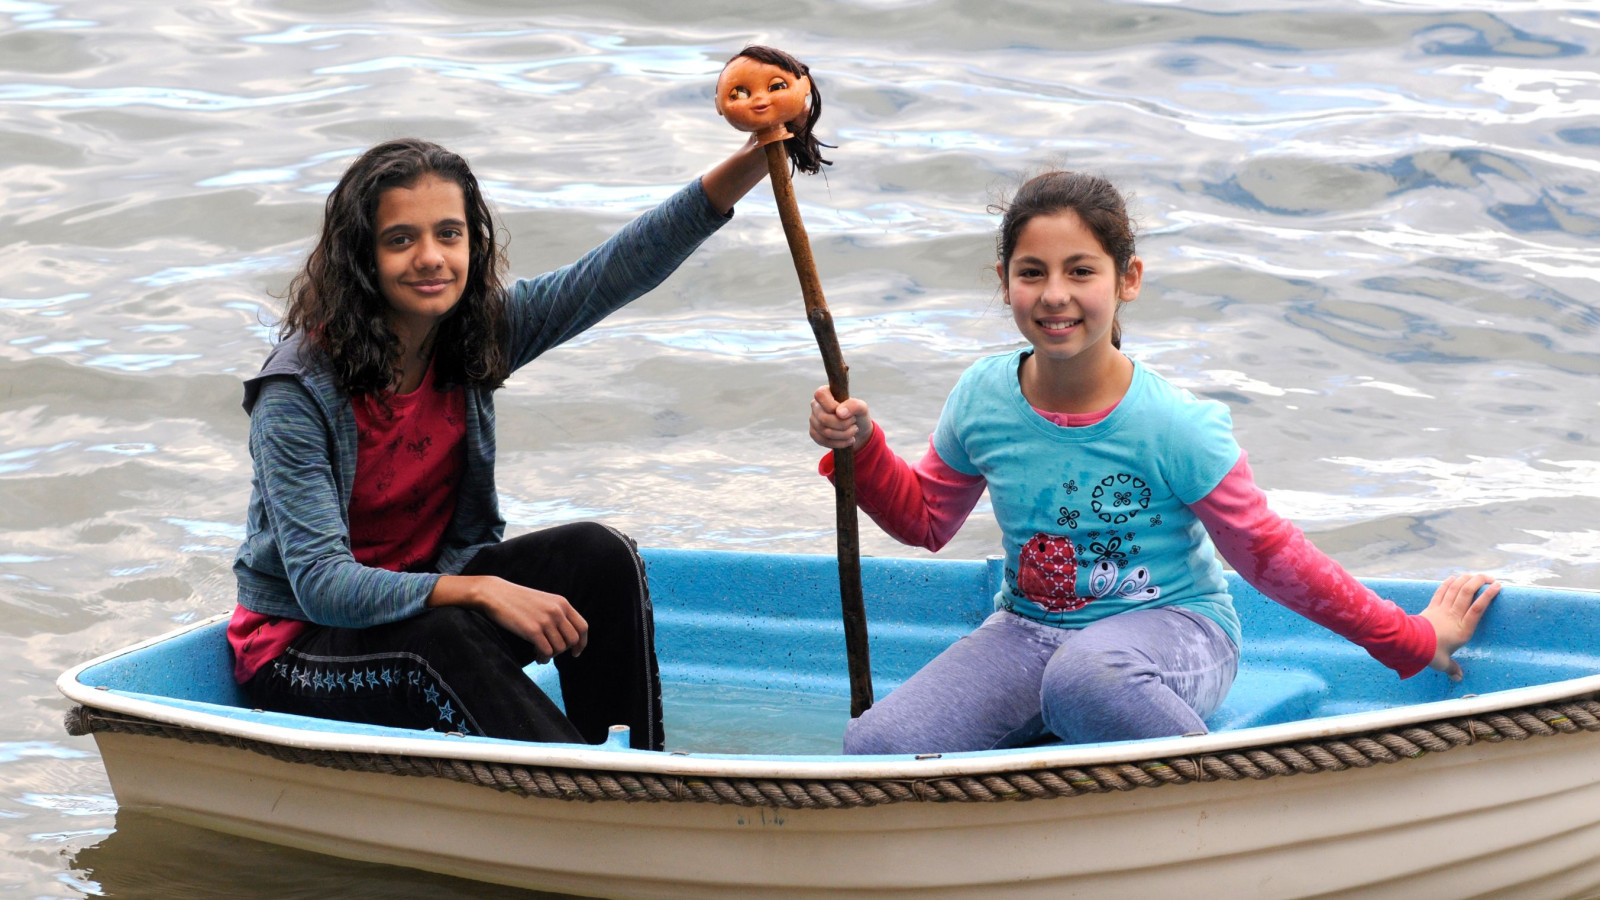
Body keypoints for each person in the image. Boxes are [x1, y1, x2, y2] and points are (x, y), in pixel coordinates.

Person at [807, 169, 1501, 755]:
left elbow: (1271, 557)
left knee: (1085, 681)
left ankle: (1210, 797)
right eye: (1032, 272)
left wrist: (1409, 639)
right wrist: (860, 448)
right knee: (877, 746)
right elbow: (926, 521)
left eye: (1081, 271)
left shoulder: (1174, 424)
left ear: (1128, 279)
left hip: (1180, 632)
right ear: (1003, 280)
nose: (1054, 294)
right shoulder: (982, 396)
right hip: (1028, 630)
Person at [228, 135, 770, 750]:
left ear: (473, 243)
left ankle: (638, 766)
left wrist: (760, 156)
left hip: (433, 608)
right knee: (441, 637)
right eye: (400, 239)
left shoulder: (474, 335)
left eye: (449, 234)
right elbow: (323, 583)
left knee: (598, 557)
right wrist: (479, 590)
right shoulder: (296, 391)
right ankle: (587, 793)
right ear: (361, 256)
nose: (431, 258)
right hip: (299, 649)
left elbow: (615, 270)